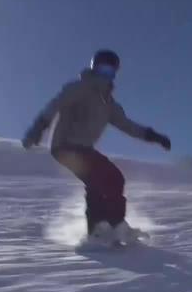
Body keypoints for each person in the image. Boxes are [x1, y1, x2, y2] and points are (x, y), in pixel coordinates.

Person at [22, 49, 171, 242]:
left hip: (83, 149)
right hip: (65, 146)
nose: (105, 75)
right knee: (103, 180)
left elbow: (127, 125)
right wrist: (39, 127)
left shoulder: (108, 103)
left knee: (110, 180)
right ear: (93, 68)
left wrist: (153, 136)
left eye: (109, 72)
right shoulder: (79, 87)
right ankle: (101, 230)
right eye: (101, 70)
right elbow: (55, 105)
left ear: (114, 74)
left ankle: (111, 226)